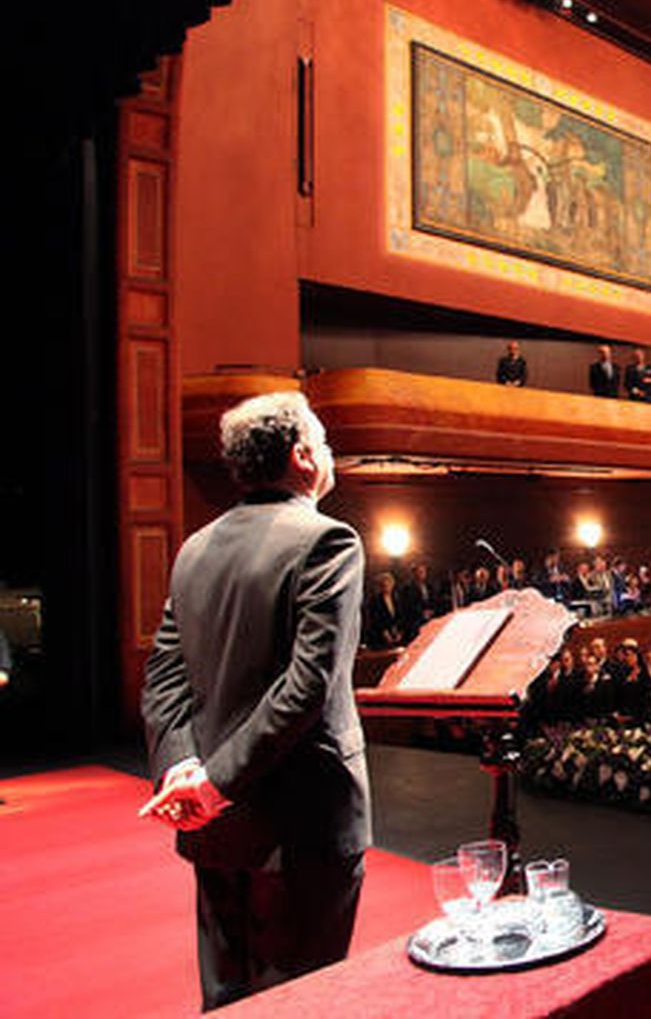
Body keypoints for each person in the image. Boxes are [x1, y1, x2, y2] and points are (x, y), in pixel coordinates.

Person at [140, 391, 369, 1010]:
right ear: (301, 456)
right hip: (301, 821)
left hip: (213, 826)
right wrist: (215, 781)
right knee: (300, 1000)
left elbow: (162, 675)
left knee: (227, 999)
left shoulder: (194, 548)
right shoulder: (328, 541)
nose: (329, 459)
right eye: (323, 447)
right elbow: (306, 688)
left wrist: (184, 770)